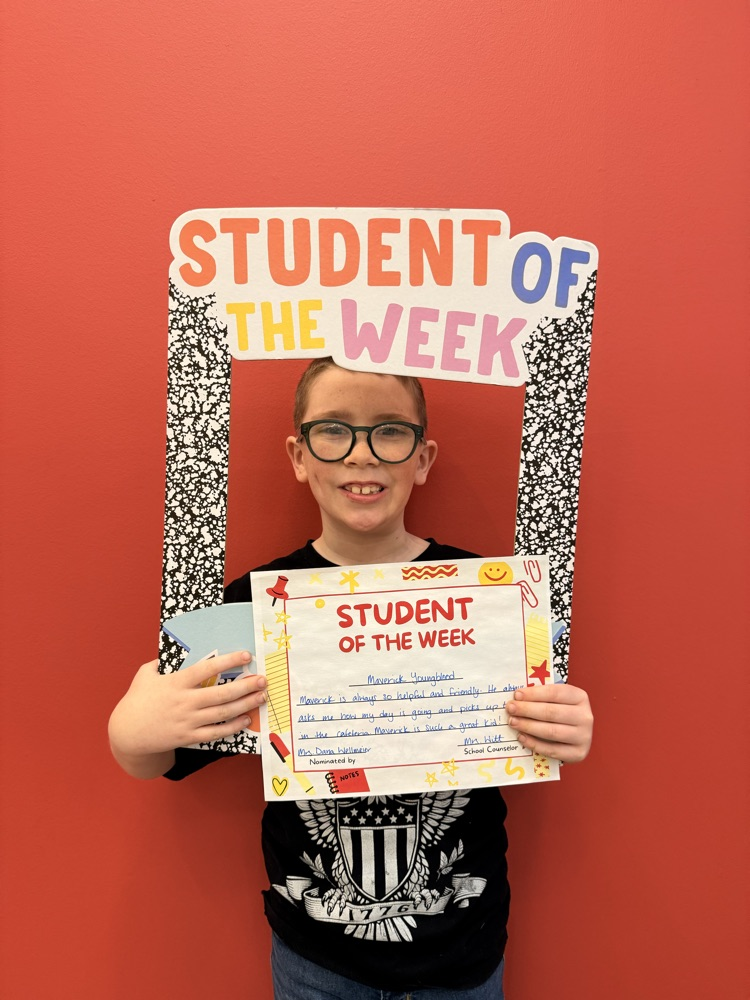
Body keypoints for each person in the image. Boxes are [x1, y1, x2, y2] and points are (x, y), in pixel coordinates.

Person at [109, 358, 594, 1000]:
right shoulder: (253, 609)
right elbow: (159, 757)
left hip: (463, 950)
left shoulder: (492, 597)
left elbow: (541, 725)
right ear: (299, 455)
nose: (361, 456)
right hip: (316, 960)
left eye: (390, 432)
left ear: (422, 459)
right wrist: (131, 732)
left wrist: (564, 728)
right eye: (332, 431)